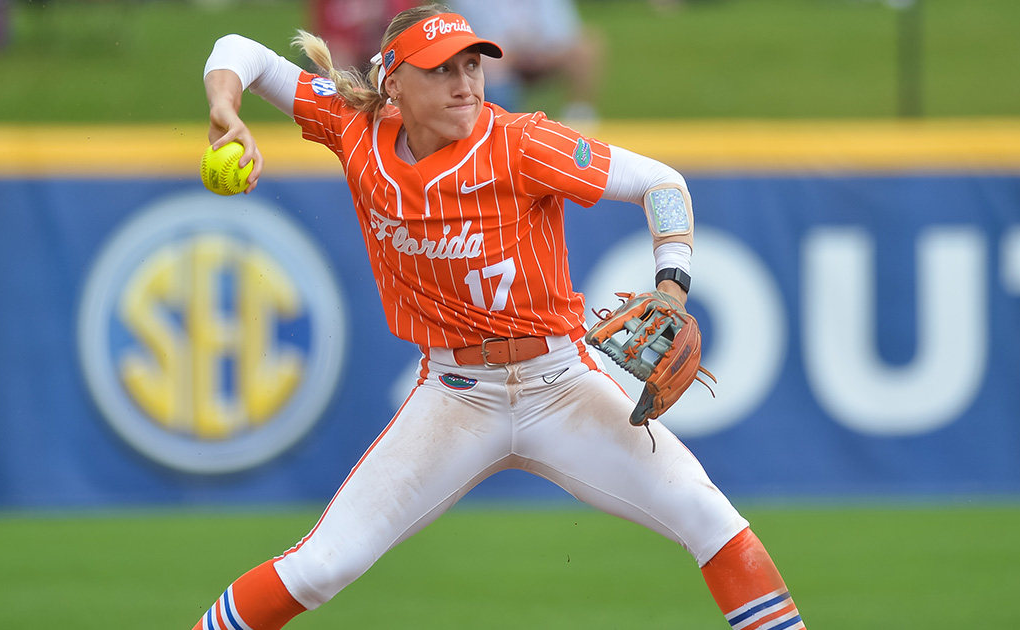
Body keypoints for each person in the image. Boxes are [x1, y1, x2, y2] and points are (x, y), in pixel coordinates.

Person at [195, 5, 806, 630]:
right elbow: (238, 47)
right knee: (321, 566)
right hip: (456, 396)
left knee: (712, 521)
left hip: (562, 385)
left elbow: (662, 183)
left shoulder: (521, 141)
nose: (465, 83)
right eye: (441, 71)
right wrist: (226, 112)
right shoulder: (355, 126)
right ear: (395, 84)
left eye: (472, 65)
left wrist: (672, 287)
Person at [450, 0, 602, 123]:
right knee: (490, 59)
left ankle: (578, 116)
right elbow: (477, 36)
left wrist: (538, 52)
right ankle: (504, 119)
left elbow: (561, 31)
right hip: (499, 55)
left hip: (541, 52)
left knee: (585, 46)